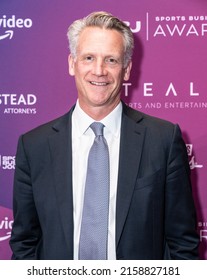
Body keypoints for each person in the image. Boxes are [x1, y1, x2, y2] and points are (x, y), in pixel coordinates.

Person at [10, 11, 199, 260]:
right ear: (72, 64)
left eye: (111, 60)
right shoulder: (33, 146)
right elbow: (25, 244)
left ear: (127, 69)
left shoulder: (163, 140)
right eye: (89, 58)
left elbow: (182, 244)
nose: (99, 71)